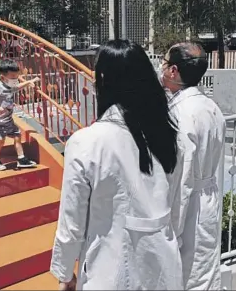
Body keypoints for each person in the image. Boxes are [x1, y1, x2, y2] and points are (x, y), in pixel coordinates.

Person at [50, 39, 184, 290]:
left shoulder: (86, 142)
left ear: (102, 80)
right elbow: (173, 206)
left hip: (110, 271)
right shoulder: (167, 135)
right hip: (164, 267)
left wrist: (65, 273)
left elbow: (71, 223)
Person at [160, 42, 226, 290]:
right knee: (206, 271)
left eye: (165, 63)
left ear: (173, 70)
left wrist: (171, 233)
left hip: (189, 210)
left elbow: (182, 180)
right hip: (208, 201)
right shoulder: (211, 107)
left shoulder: (181, 115)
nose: (162, 68)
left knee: (188, 276)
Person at [0, 59, 40, 170]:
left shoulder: (9, 85)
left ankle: (21, 159)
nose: (16, 79)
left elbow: (17, 87)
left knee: (17, 136)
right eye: (13, 77)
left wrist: (30, 81)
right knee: (0, 141)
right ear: (3, 77)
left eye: (16, 76)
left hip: (8, 119)